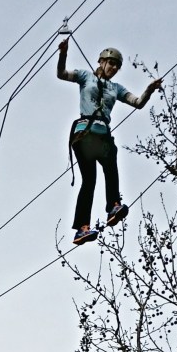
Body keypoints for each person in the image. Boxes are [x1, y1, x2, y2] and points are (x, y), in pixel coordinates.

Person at [57, 40, 162, 244]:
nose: (113, 68)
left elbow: (138, 103)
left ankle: (113, 206)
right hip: (85, 133)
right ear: (102, 62)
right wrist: (63, 54)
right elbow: (62, 74)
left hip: (103, 133)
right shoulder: (85, 76)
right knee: (89, 181)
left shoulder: (116, 88)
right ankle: (82, 227)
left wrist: (149, 90)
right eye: (110, 63)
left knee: (111, 168)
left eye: (117, 66)